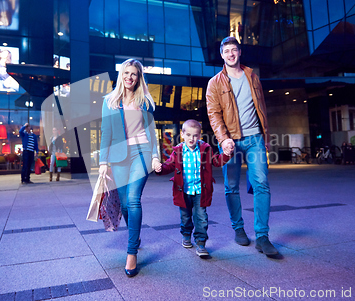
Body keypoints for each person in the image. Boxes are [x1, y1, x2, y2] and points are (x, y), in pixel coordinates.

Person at [206, 36, 278, 256]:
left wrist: (266, 136)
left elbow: (262, 107)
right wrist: (223, 138)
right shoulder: (215, 83)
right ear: (222, 54)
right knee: (231, 186)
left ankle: (263, 236)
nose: (231, 54)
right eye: (226, 51)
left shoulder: (253, 77)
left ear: (239, 52)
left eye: (234, 50)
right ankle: (238, 229)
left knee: (262, 184)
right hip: (230, 142)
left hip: (255, 138)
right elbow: (214, 114)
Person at [99, 58, 160, 277]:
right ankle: (136, 234)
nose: (129, 77)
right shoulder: (110, 101)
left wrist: (155, 156)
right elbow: (106, 133)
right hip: (118, 157)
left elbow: (152, 132)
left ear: (139, 77)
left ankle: (131, 252)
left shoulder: (145, 101)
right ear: (121, 75)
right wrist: (103, 162)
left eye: (134, 74)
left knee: (134, 199)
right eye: (126, 73)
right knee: (125, 203)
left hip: (141, 153)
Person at [155, 120, 233, 257]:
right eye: (189, 135)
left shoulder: (205, 149)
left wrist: (226, 154)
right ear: (182, 134)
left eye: (195, 135)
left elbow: (217, 161)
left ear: (200, 135)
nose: (192, 138)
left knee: (201, 217)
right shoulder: (178, 150)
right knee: (185, 216)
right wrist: (160, 168)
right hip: (183, 191)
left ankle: (201, 243)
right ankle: (186, 235)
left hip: (200, 191)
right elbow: (169, 165)